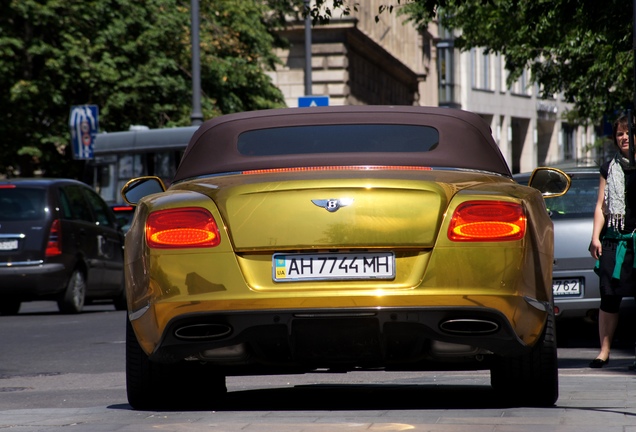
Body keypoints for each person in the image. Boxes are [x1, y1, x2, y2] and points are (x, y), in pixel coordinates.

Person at [588, 113, 636, 368]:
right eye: (620, 133)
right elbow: (601, 207)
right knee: (608, 296)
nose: (624, 137)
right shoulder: (609, 168)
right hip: (615, 240)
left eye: (628, 132)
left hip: (635, 241)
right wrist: (595, 237)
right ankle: (603, 352)